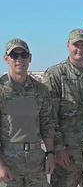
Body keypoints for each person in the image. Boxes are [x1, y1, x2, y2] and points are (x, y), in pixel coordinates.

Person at [43, 29, 83, 187]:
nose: (79, 48)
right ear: (68, 46)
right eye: (75, 44)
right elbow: (49, 116)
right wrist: (58, 148)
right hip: (66, 154)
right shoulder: (55, 75)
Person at [0, 38, 55, 186]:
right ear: (6, 59)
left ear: (30, 58)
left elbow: (47, 124)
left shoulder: (41, 91)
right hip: (8, 162)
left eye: (23, 55)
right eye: (14, 56)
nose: (19, 60)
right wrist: (1, 166)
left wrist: (50, 154)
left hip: (35, 161)